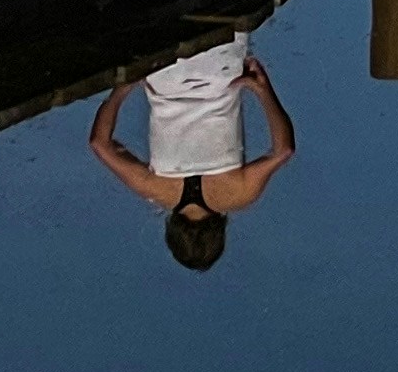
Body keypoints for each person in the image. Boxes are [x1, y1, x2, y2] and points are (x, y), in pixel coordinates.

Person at [88, 38, 296, 270]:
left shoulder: (239, 195)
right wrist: (124, 86)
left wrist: (262, 90)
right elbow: (99, 143)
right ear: (172, 231)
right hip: (164, 72)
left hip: (222, 69)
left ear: (220, 234)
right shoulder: (156, 190)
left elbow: (283, 151)